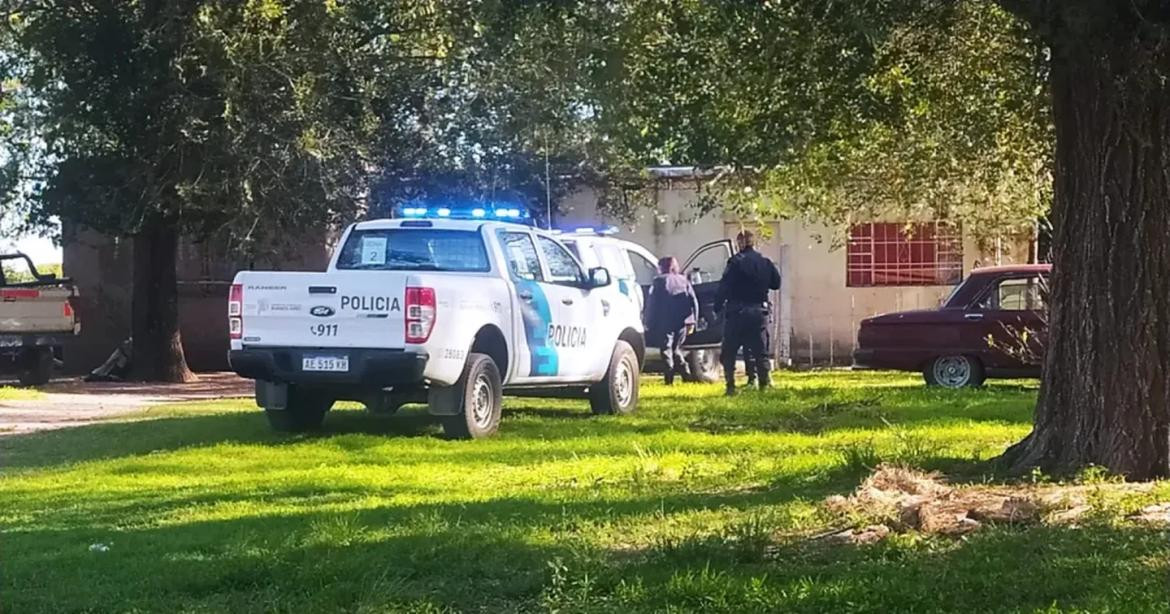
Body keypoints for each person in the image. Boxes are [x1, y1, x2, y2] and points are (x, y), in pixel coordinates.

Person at [714, 230, 781, 396]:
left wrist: (717, 306)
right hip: (759, 312)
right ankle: (764, 384)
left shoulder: (735, 263)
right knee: (760, 351)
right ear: (754, 243)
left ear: (739, 244)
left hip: (737, 312)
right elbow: (776, 283)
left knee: (729, 351)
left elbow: (724, 286)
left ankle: (731, 386)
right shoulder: (765, 262)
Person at [645, 256, 699, 385]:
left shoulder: (658, 281)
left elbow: (652, 303)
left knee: (666, 349)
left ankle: (669, 379)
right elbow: (694, 301)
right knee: (675, 349)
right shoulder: (683, 280)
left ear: (662, 268)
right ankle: (686, 374)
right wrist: (693, 320)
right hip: (681, 321)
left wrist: (648, 321)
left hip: (664, 321)